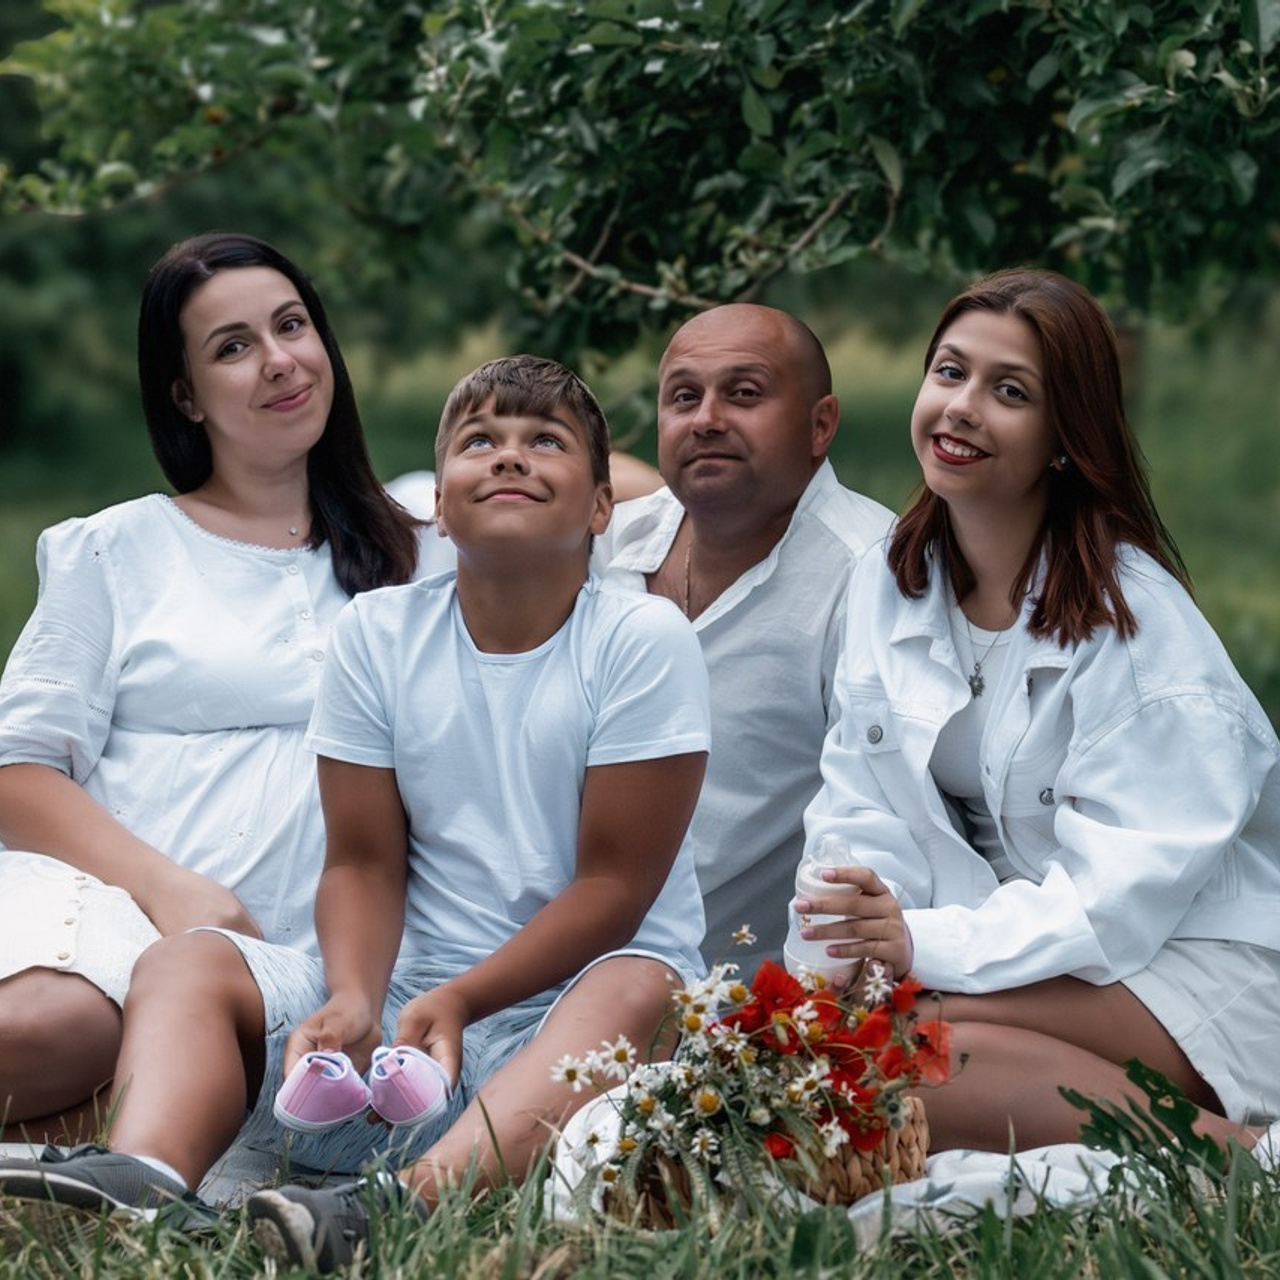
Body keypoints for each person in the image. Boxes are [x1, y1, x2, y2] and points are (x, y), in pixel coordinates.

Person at [0, 356, 710, 1269]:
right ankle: (143, 1186)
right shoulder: (377, 636)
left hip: (565, 1028)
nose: (509, 458)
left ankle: (390, 1209)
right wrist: (353, 997)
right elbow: (364, 862)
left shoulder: (640, 639)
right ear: (439, 510)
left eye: (546, 442)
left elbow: (615, 884)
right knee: (192, 962)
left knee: (644, 986)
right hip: (408, 1024)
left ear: (601, 507)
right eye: (479, 441)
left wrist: (465, 999)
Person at [799, 268, 1280, 1156]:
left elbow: (1115, 906)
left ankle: (1243, 1157)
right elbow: (862, 796)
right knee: (854, 1044)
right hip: (1016, 946)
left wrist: (917, 944)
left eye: (1009, 391)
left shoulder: (1135, 628)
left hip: (1190, 960)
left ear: (1066, 436)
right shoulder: (889, 582)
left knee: (907, 1051)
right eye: (949, 372)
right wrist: (863, 926)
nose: (962, 408)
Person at [0, 233, 421, 1143]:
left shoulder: (424, 541)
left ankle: (96, 1138)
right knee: (52, 1027)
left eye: (291, 326)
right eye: (232, 347)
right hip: (116, 907)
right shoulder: (115, 551)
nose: (279, 363)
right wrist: (170, 889)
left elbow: (593, 482)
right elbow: (17, 774)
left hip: (307, 956)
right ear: (184, 396)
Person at [600, 302, 893, 963]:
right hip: (550, 960)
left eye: (744, 393)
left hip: (733, 1005)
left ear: (821, 425)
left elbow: (876, 821)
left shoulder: (870, 576)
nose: (706, 420)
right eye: (684, 397)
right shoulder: (611, 545)